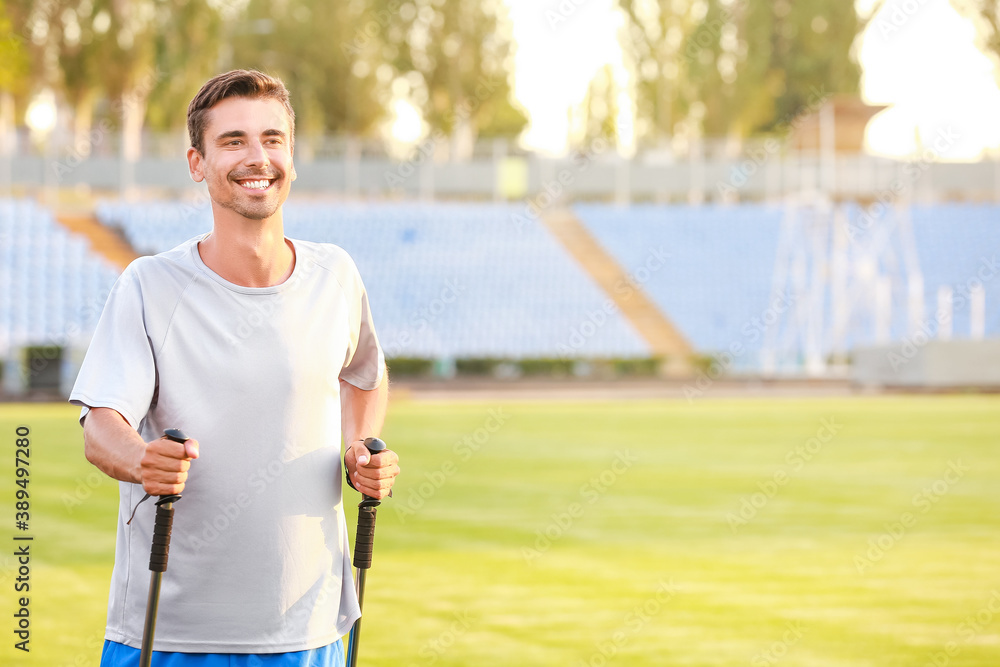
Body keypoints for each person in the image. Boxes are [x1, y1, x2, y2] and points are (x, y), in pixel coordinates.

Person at [69, 69, 399, 667]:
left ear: (292, 156)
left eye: (273, 139)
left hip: (312, 631)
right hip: (168, 636)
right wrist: (142, 459)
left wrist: (360, 449)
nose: (258, 157)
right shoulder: (150, 285)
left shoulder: (337, 277)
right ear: (197, 163)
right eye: (233, 141)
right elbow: (101, 425)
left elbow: (364, 376)